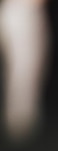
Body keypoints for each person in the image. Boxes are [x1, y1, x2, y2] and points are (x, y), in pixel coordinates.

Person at [0, 0, 51, 143]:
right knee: (23, 68)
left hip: (27, 13)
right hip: (22, 13)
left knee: (30, 67)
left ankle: (23, 121)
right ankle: (19, 123)